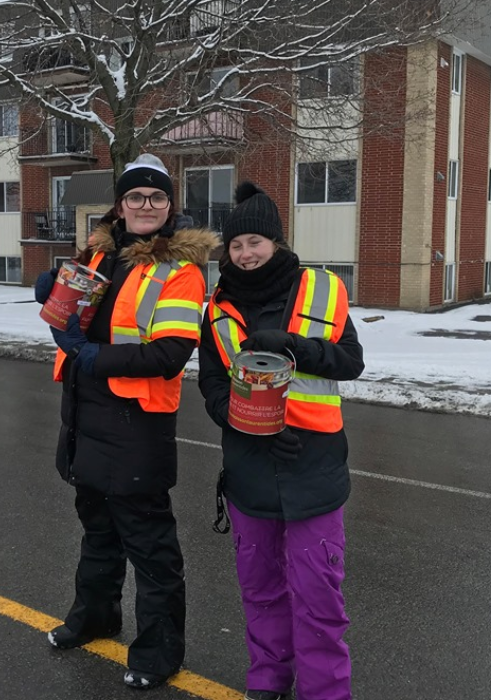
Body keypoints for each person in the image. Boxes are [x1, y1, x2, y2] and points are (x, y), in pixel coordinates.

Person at [35, 154, 219, 690]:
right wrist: (52, 290)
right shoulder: (97, 252)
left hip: (135, 422)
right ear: (120, 205)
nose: (145, 206)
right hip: (84, 414)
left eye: (156, 198)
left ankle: (159, 651)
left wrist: (93, 357)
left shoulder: (181, 271)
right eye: (135, 197)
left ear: (169, 206)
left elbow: (168, 354)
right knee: (97, 531)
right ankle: (94, 616)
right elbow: (74, 309)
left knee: (150, 545)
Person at [198, 182, 365, 700]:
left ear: (275, 241)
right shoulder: (218, 309)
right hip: (250, 470)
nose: (246, 254)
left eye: (255, 242)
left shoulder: (320, 290)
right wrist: (246, 422)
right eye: (236, 245)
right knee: (262, 591)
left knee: (318, 598)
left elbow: (350, 362)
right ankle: (267, 683)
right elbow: (212, 383)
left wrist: (293, 346)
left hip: (313, 470)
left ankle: (324, 693)